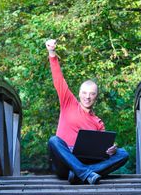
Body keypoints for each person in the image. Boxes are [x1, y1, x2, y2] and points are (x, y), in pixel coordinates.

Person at [45, 39, 129, 184]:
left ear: (96, 96)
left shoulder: (98, 123)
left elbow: (103, 151)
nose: (87, 97)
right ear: (79, 93)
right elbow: (58, 78)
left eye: (92, 94)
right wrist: (52, 52)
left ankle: (80, 173)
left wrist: (112, 149)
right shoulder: (68, 103)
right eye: (84, 93)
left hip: (84, 159)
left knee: (123, 153)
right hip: (64, 163)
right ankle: (86, 173)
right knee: (54, 140)